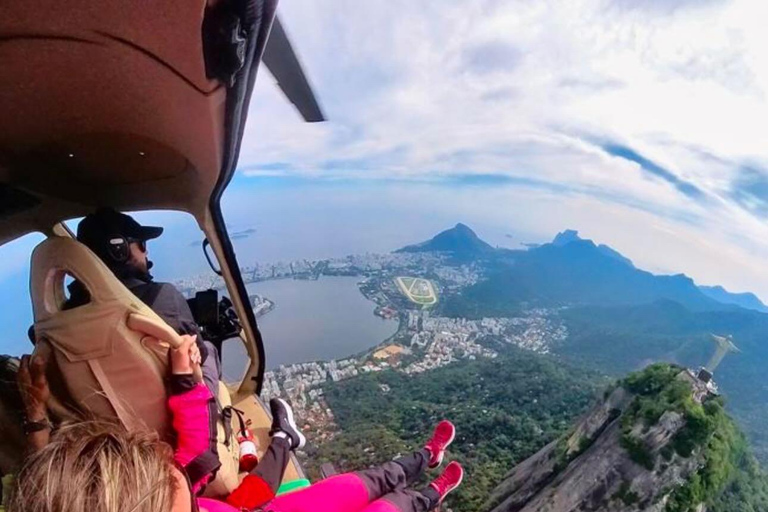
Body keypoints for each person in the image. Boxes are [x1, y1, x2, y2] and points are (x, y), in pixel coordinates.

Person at [9, 336, 464, 512]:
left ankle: (425, 457)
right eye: (166, 474)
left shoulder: (151, 493)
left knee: (361, 482)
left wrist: (35, 415)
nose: (169, 460)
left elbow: (193, 449)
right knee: (388, 508)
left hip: (253, 509)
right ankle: (431, 492)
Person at [74, 207, 221, 394]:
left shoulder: (67, 315)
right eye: (141, 244)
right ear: (118, 249)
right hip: (175, 412)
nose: (146, 252)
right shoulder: (163, 297)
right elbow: (197, 357)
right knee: (208, 349)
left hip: (107, 414)